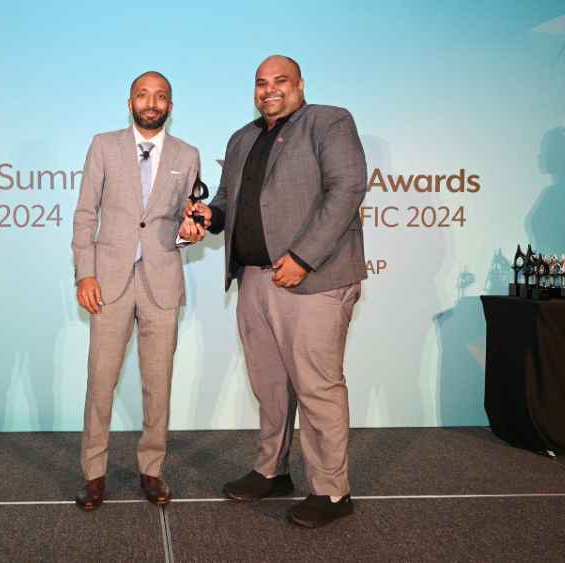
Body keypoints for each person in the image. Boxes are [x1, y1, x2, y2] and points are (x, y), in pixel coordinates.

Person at [188, 55, 367, 528]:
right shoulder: (243, 137)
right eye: (261, 83)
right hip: (253, 278)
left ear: (300, 84)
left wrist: (304, 257)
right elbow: (228, 201)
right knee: (268, 385)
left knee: (317, 387)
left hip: (314, 280)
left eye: (280, 81)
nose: (269, 90)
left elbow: (347, 188)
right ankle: (273, 470)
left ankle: (332, 492)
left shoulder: (329, 121)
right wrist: (212, 217)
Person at [72, 71, 205, 510]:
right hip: (107, 282)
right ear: (128, 101)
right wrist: (84, 273)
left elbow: (187, 223)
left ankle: (152, 470)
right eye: (143, 95)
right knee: (101, 382)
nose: (152, 102)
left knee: (157, 384)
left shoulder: (187, 154)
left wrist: (191, 233)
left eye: (161, 96)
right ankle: (93, 474)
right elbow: (85, 214)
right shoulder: (103, 145)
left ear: (171, 104)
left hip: (162, 283)